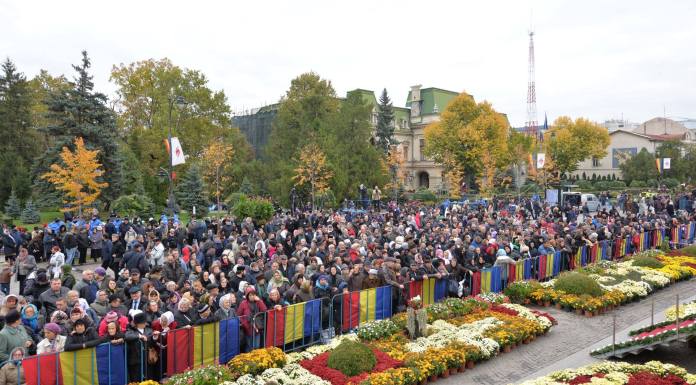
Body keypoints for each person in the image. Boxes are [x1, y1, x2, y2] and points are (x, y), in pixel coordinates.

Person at [237, 286, 267, 351]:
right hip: (248, 328)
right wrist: (244, 323)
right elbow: (239, 315)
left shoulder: (258, 302)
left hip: (257, 327)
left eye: (253, 295)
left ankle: (256, 359)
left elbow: (264, 310)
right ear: (247, 296)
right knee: (250, 346)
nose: (252, 296)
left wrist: (259, 301)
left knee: (257, 346)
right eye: (250, 295)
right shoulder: (243, 303)